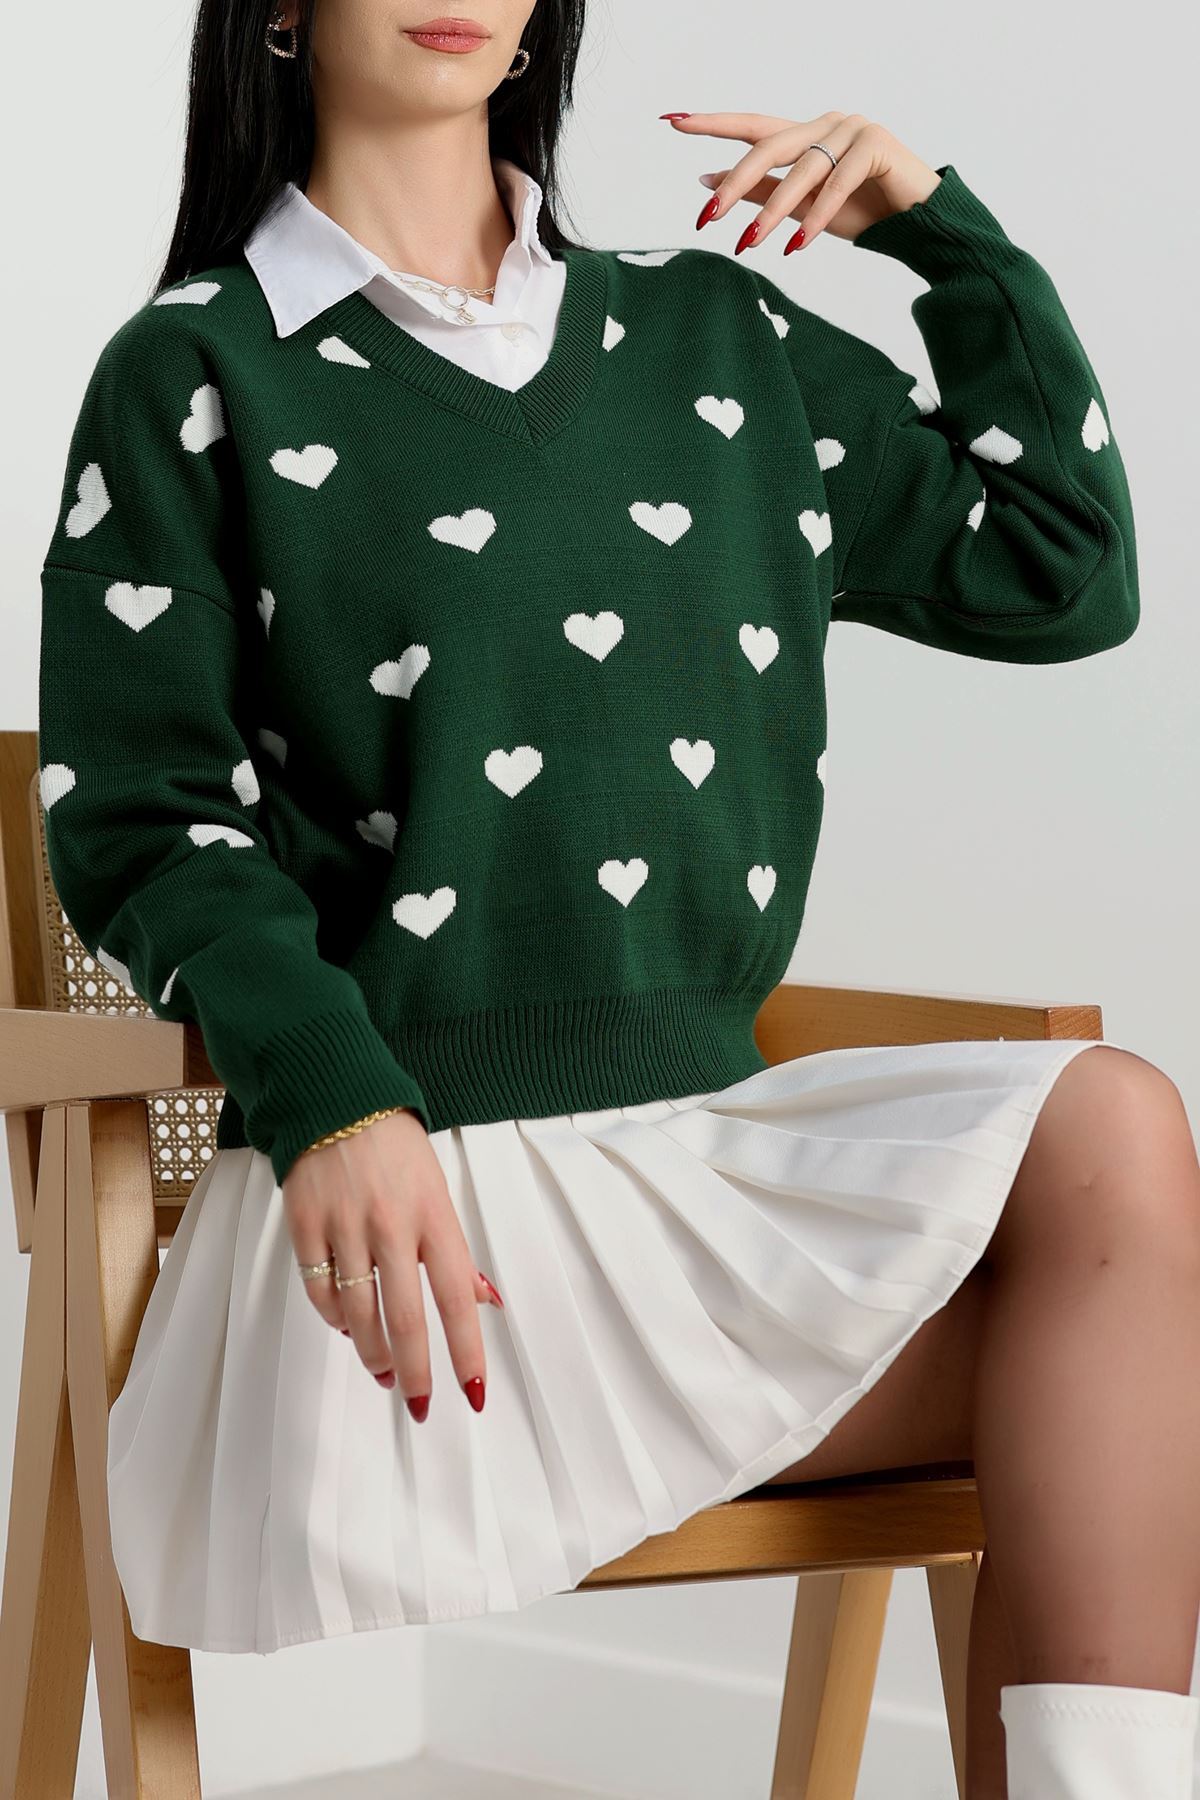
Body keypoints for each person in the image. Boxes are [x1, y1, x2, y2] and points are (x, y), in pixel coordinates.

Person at [33, 1, 1200, 1793]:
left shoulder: (713, 337)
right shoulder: (196, 368)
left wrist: (935, 229)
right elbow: (143, 813)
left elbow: (1066, 566)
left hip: (702, 1192)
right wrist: (330, 1092)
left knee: (1113, 1135)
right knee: (1106, 1388)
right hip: (417, 1244)